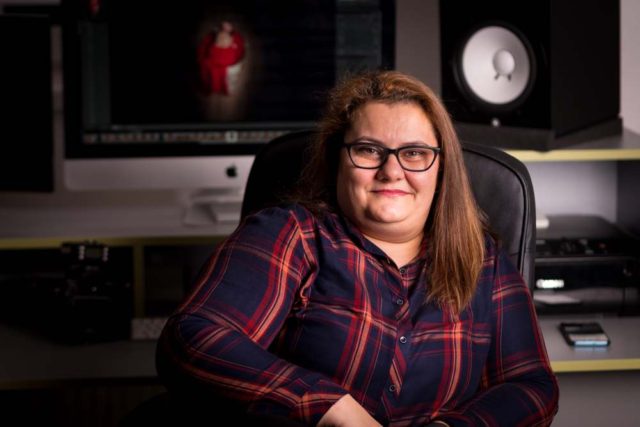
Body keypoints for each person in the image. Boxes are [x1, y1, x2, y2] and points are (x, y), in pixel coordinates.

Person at [156, 70, 559, 426]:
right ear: (338, 160)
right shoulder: (292, 234)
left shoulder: (483, 262)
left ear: (441, 167)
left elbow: (531, 386)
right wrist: (333, 409)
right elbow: (192, 338)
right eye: (368, 150)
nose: (391, 171)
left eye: (414, 153)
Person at [197, 20, 245, 96]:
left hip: (216, 78)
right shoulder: (232, 51)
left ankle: (212, 90)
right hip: (224, 78)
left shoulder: (211, 53)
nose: (223, 37)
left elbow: (202, 52)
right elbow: (240, 48)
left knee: (213, 83)